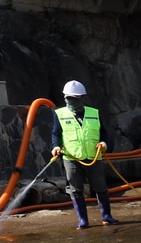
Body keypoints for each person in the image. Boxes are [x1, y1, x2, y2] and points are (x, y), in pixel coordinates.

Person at [51, 80, 119, 229]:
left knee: (100, 187)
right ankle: (83, 220)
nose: (70, 101)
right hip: (71, 157)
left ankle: (107, 216)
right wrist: (56, 147)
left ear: (82, 98)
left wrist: (104, 143)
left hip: (93, 155)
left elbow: (103, 133)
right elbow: (56, 134)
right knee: (75, 189)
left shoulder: (94, 113)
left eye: (74, 98)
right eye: (68, 98)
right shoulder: (60, 114)